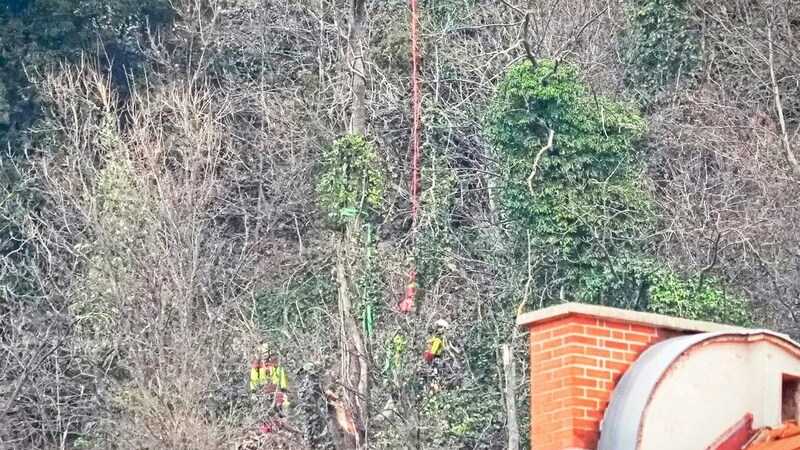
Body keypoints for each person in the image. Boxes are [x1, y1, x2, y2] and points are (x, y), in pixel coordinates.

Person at [249, 339, 290, 434]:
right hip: (264, 390)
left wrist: (283, 389)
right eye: (263, 353)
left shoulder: (275, 363)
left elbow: (282, 375)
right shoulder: (257, 365)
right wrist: (253, 391)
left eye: (266, 352)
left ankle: (280, 428)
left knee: (280, 407)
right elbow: (253, 378)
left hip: (276, 389)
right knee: (266, 411)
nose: (265, 354)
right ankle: (267, 431)